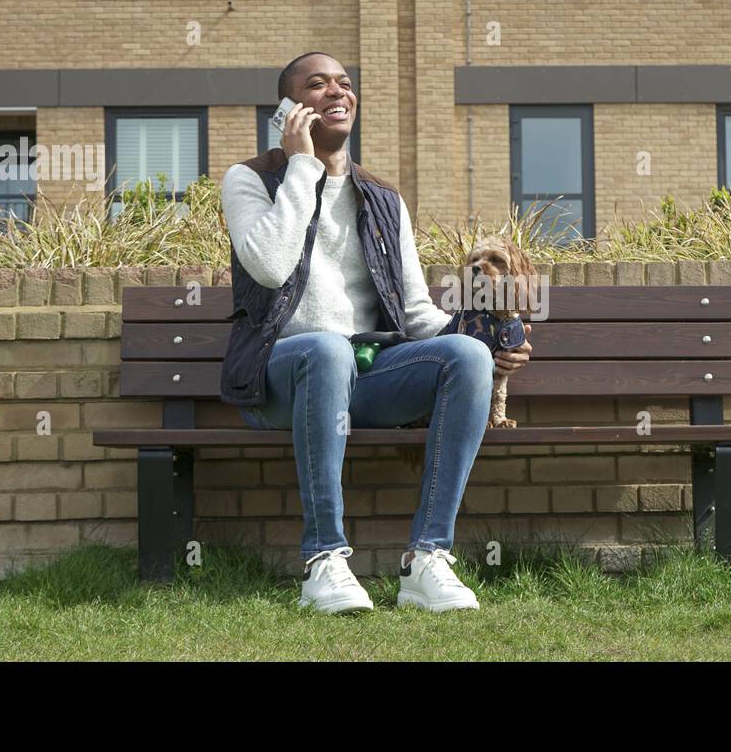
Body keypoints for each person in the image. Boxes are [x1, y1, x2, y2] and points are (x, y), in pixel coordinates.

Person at [219, 52, 532, 614]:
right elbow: (267, 265)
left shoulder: (384, 199)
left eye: (344, 82)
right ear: (289, 111)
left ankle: (428, 559)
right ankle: (325, 560)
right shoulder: (251, 179)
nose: (336, 91)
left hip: (369, 376)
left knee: (463, 355)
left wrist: (485, 342)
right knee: (324, 348)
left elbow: (415, 314)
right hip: (283, 378)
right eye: (316, 85)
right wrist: (301, 167)